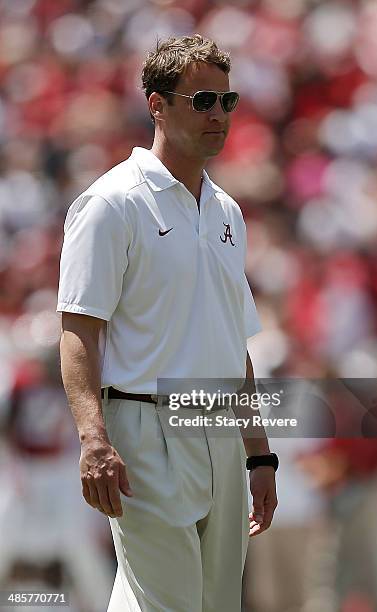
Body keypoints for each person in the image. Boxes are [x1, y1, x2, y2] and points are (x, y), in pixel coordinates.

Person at [57, 34, 278, 612]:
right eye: (203, 100)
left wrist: (259, 453)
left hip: (221, 429)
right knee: (171, 604)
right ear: (157, 104)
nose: (217, 115)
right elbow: (79, 329)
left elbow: (235, 341)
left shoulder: (227, 210)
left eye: (227, 103)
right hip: (143, 429)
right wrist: (94, 440)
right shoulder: (112, 203)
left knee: (208, 603)